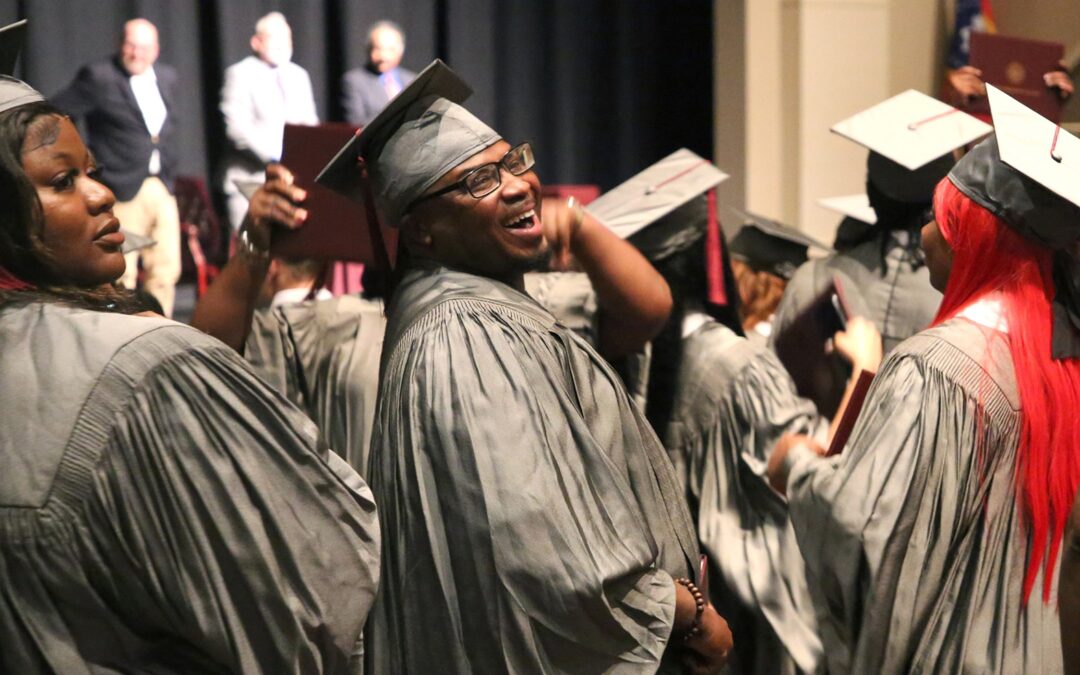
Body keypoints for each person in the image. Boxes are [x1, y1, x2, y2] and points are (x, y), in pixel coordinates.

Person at [318, 59, 733, 674]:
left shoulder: (474, 311)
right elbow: (537, 544)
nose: (516, 184)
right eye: (479, 181)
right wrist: (685, 613)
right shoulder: (464, 336)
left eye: (514, 162)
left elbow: (646, 310)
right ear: (424, 232)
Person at [0, 69, 379, 673]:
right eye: (63, 181)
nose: (101, 195)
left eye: (92, 172)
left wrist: (253, 246)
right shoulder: (149, 366)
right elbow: (312, 588)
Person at [766, 121, 1080, 673]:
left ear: (974, 234)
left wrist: (796, 467)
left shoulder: (936, 367)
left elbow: (861, 535)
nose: (927, 231)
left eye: (941, 215)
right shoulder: (1059, 363)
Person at [52, 18, 181, 316]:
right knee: (122, 271)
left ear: (157, 50)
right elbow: (57, 113)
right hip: (121, 187)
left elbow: (161, 130)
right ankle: (125, 332)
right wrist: (83, 166)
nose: (137, 53)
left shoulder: (167, 77)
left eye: (144, 47)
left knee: (166, 268)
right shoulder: (99, 76)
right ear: (119, 44)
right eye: (131, 45)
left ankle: (164, 331)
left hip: (161, 184)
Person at [220, 11, 318, 231]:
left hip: (293, 184)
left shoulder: (299, 76)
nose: (283, 44)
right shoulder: (239, 73)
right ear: (257, 42)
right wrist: (278, 159)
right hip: (251, 183)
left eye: (288, 38)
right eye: (275, 38)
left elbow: (310, 124)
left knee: (289, 261)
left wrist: (305, 160)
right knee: (253, 258)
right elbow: (237, 130)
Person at [342, 20, 416, 126]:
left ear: (401, 51)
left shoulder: (412, 79)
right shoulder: (354, 81)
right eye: (378, 49)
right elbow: (355, 122)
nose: (383, 56)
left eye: (390, 49)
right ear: (368, 49)